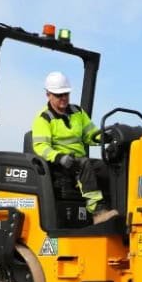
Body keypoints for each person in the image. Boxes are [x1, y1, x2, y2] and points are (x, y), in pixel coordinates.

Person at [31, 71, 118, 224]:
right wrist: (59, 157)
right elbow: (41, 146)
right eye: (59, 95)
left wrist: (105, 137)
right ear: (48, 95)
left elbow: (90, 134)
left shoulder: (78, 112)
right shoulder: (43, 118)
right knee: (83, 164)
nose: (64, 98)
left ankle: (116, 206)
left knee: (108, 166)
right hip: (59, 164)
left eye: (66, 94)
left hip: (79, 160)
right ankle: (97, 212)